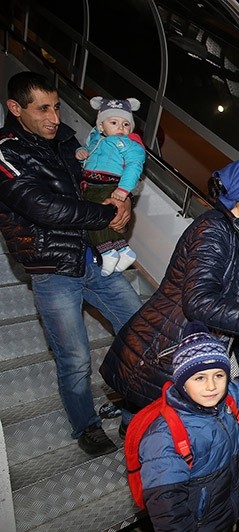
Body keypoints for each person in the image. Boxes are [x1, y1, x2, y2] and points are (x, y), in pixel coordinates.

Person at [100, 159, 239, 428]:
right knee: (150, 431)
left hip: (208, 342)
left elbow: (235, 289)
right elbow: (199, 302)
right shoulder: (213, 230)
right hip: (167, 347)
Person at [0, 71, 143, 457]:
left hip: (93, 256)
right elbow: (41, 207)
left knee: (140, 329)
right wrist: (103, 213)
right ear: (16, 109)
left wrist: (122, 199)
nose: (54, 118)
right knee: (75, 358)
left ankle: (133, 405)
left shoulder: (65, 140)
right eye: (42, 109)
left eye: (57, 107)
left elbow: (99, 176)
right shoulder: (6, 150)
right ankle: (86, 425)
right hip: (51, 270)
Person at [138, 321, 239, 532]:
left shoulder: (226, 404)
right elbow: (168, 514)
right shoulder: (164, 437)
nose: (211, 386)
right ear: (182, 382)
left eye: (219, 375)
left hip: (226, 514)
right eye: (199, 378)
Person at [75, 96, 145, 276]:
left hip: (107, 184)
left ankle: (107, 252)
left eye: (126, 124)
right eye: (114, 122)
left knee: (94, 218)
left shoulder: (130, 144)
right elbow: (89, 151)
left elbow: (134, 166)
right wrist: (81, 151)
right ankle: (123, 250)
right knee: (108, 220)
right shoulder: (96, 140)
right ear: (101, 126)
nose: (121, 128)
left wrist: (123, 190)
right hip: (91, 184)